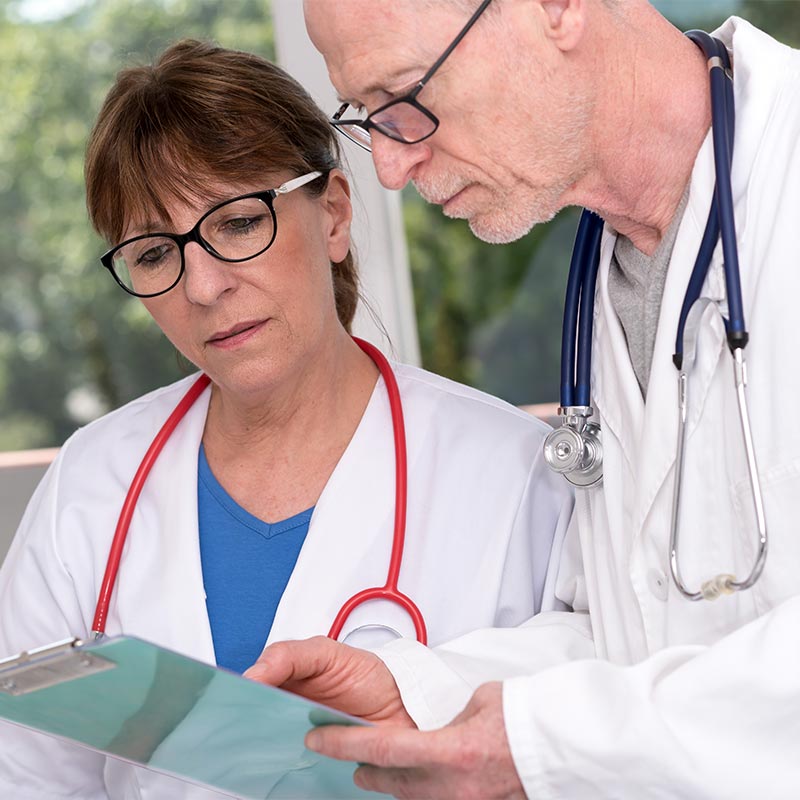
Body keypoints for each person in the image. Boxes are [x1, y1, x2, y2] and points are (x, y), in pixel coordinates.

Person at [247, 0, 800, 797]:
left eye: (404, 96)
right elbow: (629, 631)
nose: (391, 169)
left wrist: (546, 740)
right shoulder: (608, 278)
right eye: (368, 116)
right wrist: (421, 695)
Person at [0, 39, 575, 798]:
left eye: (238, 223)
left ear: (333, 215)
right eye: (152, 253)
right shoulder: (92, 483)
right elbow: (28, 777)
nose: (202, 286)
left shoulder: (514, 473)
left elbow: (580, 741)